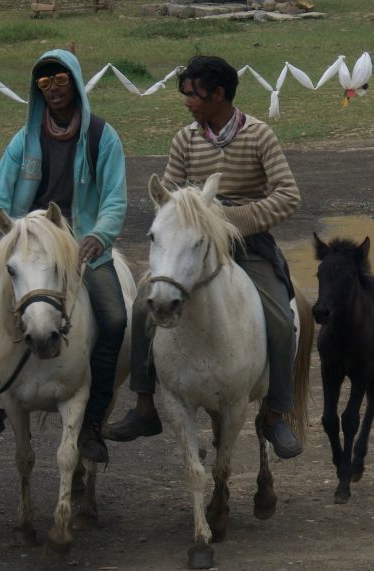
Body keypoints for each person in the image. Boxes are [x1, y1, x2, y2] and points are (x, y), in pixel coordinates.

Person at [104, 55, 304, 459]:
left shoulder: (260, 136)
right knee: (145, 306)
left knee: (283, 322)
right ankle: (144, 403)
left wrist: (229, 219)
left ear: (219, 94)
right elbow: (171, 196)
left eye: (194, 94)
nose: (188, 103)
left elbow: (288, 196)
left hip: (247, 246)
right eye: (186, 95)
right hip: (191, 245)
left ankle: (276, 412)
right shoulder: (185, 139)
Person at [0, 48, 128, 464]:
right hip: (27, 237)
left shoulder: (103, 137)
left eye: (61, 80)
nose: (53, 89)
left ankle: (92, 424)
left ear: (76, 83)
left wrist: (100, 236)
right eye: (45, 83)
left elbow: (115, 201)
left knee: (116, 318)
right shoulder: (24, 140)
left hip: (79, 240)